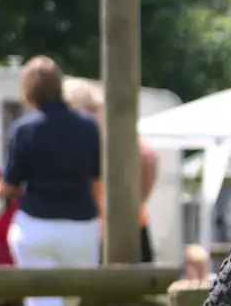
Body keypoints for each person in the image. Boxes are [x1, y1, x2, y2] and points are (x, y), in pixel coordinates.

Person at [0, 56, 105, 306]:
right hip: (81, 224)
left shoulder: (25, 129)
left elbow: (10, 184)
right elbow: (96, 179)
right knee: (82, 301)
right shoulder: (88, 127)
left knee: (44, 303)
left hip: (36, 225)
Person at [62, 77, 160, 263]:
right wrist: (137, 202)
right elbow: (149, 157)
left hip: (98, 231)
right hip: (134, 224)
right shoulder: (114, 131)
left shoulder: (85, 133)